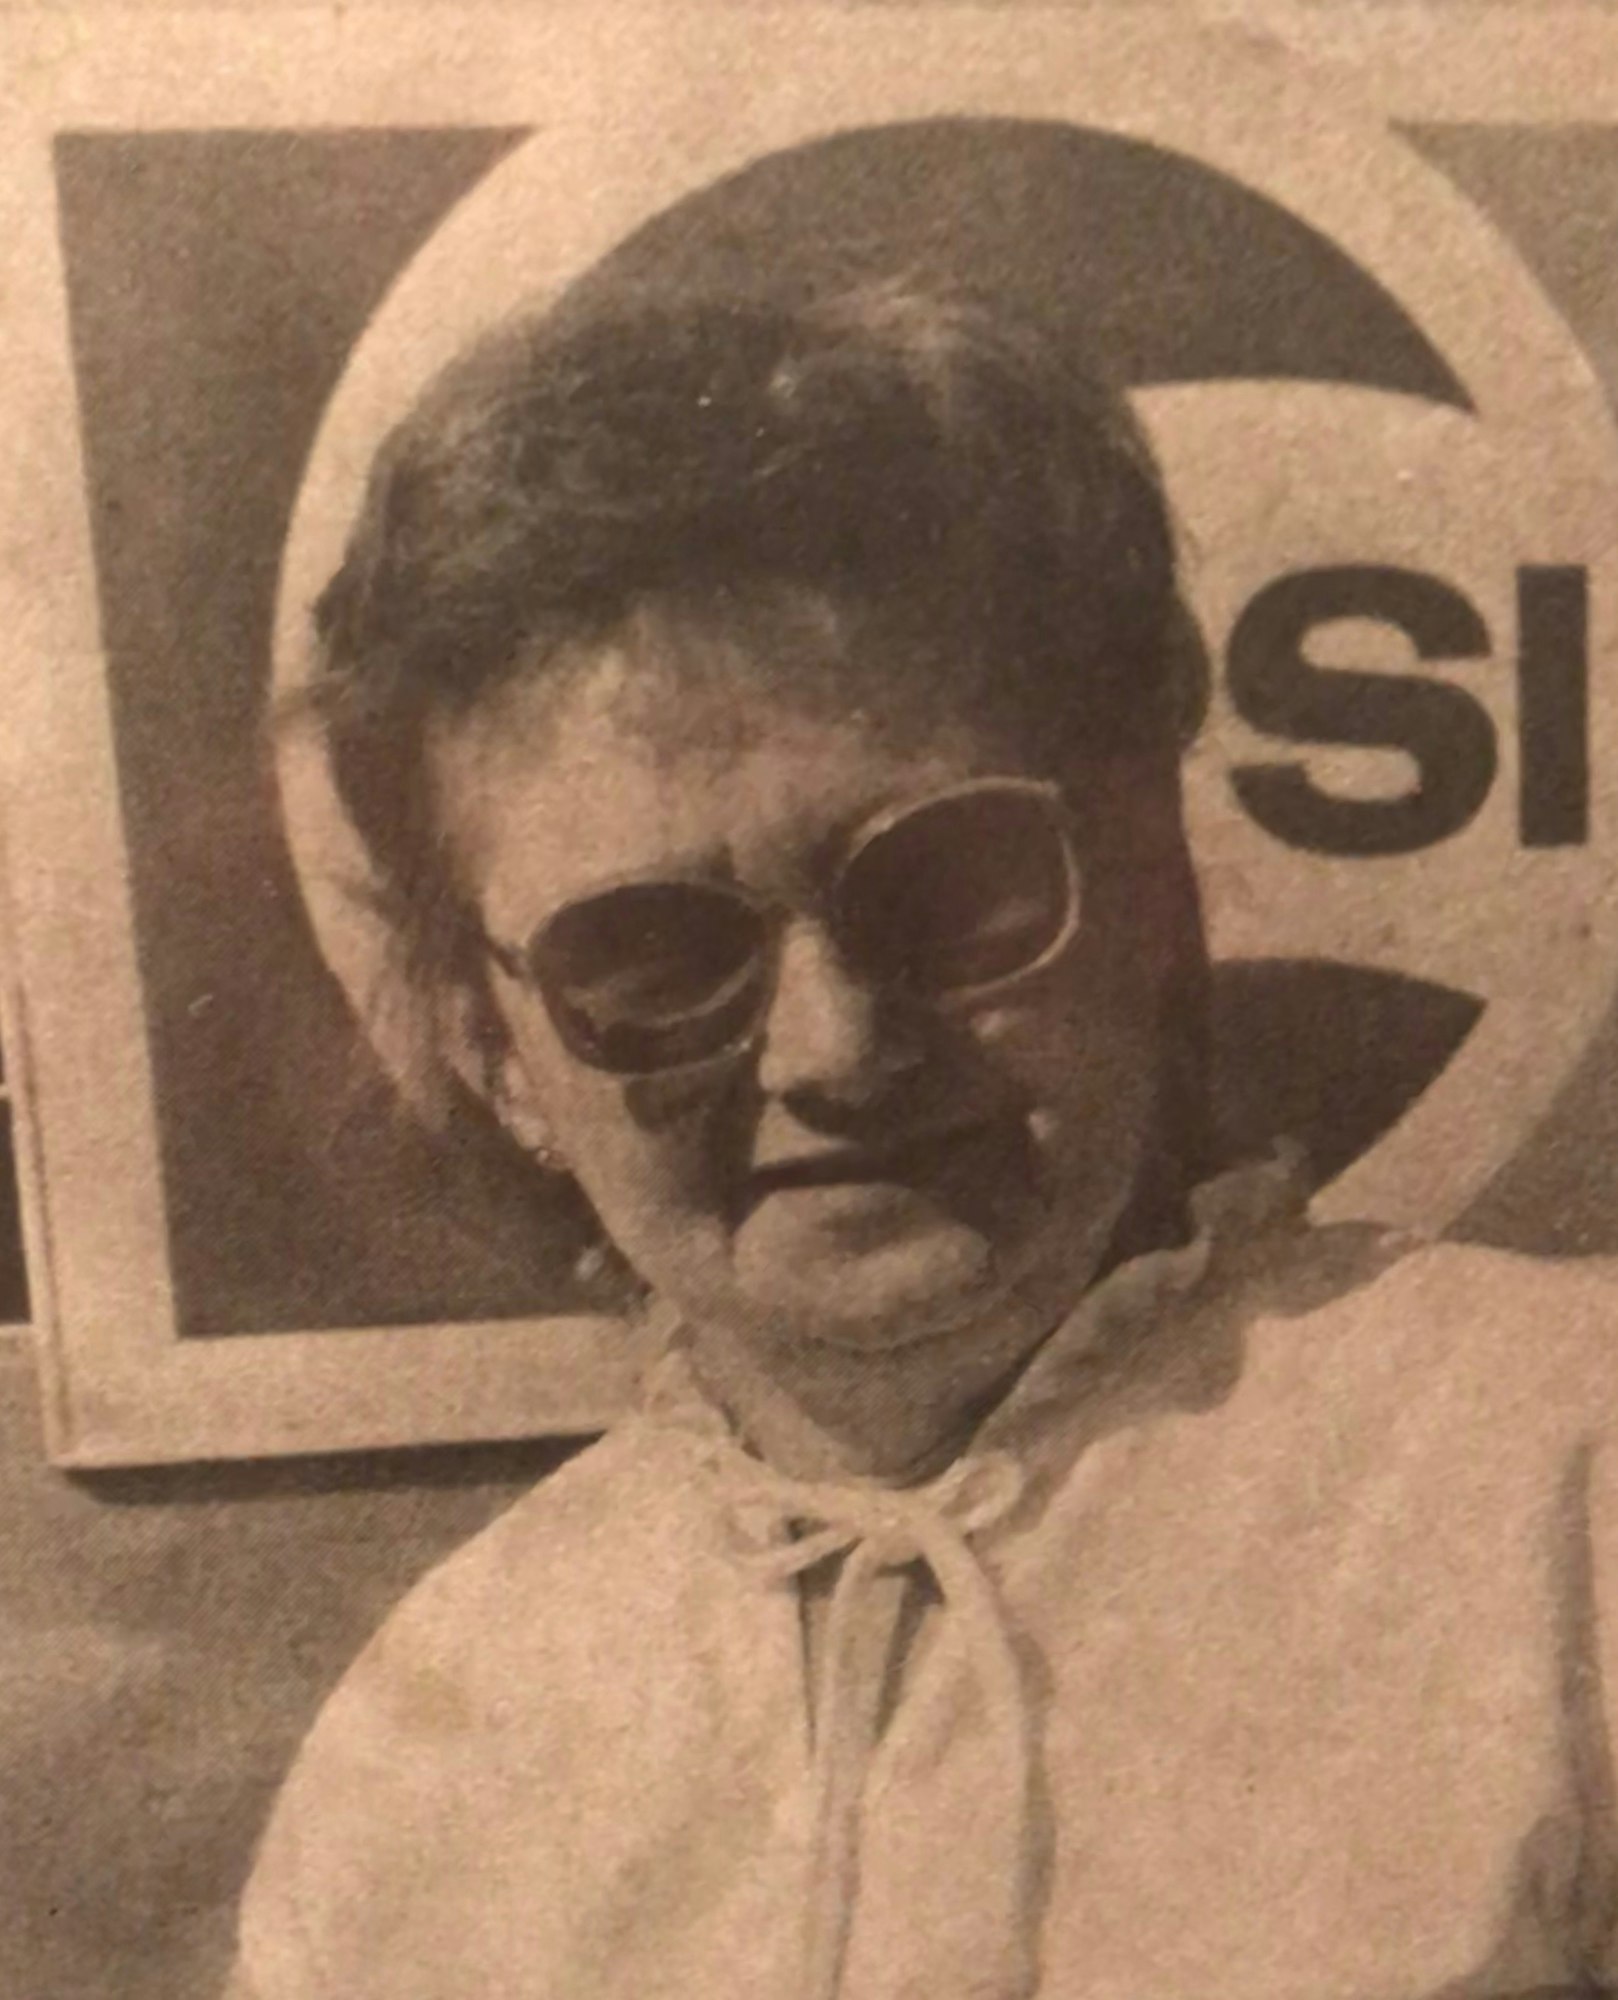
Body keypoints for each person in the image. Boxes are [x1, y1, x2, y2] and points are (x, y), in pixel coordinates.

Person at [231, 279, 1618, 2000]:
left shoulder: (1561, 1478)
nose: (836, 1049)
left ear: (1153, 883)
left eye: (947, 886)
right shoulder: (426, 1753)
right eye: (655, 959)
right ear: (498, 1056)